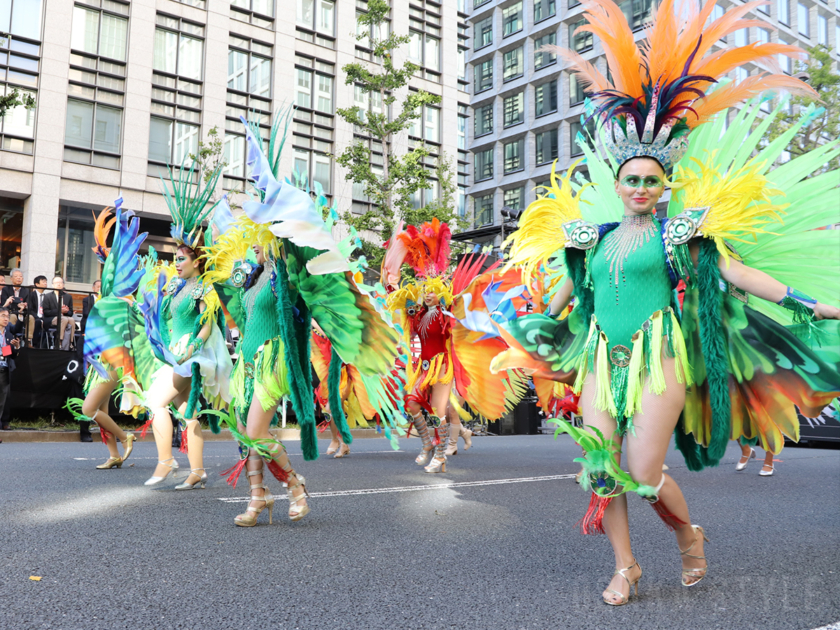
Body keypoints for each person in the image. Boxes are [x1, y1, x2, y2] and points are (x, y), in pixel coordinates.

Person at [495, 0, 840, 606]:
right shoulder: (591, 238)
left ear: (664, 186)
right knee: (602, 472)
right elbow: (560, 301)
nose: (640, 189)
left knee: (645, 474)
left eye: (651, 180)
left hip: (660, 357)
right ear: (617, 182)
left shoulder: (679, 233)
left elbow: (736, 274)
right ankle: (626, 566)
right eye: (631, 179)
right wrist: (526, 329)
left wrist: (813, 304)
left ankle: (687, 535)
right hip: (603, 358)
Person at [204, 115, 401, 526]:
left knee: (256, 430)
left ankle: (294, 484)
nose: (255, 247)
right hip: (248, 361)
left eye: (261, 241)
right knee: (244, 433)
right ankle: (257, 498)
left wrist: (287, 244)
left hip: (276, 361)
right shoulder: (254, 282)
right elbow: (234, 306)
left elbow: (309, 270)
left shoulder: (289, 277)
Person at [382, 219, 530, 473]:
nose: (427, 293)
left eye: (432, 290)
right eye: (425, 290)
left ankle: (441, 457)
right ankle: (428, 445)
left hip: (442, 366)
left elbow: (464, 308)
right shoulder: (416, 314)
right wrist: (392, 272)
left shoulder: (445, 315)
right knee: (412, 404)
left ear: (440, 293)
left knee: (439, 411)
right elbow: (391, 294)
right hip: (422, 367)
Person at [140, 162, 232, 490]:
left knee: (156, 402)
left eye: (182, 259)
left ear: (197, 261)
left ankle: (166, 461)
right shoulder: (177, 288)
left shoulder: (204, 288)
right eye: (175, 258)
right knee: (188, 415)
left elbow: (208, 326)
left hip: (190, 357)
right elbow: (165, 318)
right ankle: (198, 471)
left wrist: (192, 347)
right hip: (176, 355)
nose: (176, 263)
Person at [0, 307, 20, 432]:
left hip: (4, 369)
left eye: (7, 316)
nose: (6, 319)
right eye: (3, 315)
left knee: (2, 401)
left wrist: (16, 348)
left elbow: (10, 354)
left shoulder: (7, 333)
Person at [43, 276, 75, 350]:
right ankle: (59, 341)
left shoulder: (68, 296)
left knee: (71, 320)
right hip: (51, 318)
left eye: (60, 283)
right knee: (64, 319)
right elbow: (46, 312)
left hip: (65, 317)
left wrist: (67, 311)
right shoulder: (48, 296)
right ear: (53, 285)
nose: (59, 284)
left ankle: (71, 342)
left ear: (63, 285)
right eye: (56, 283)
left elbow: (71, 312)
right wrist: (60, 311)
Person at [26, 275, 48, 345]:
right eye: (43, 282)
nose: (45, 283)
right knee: (38, 322)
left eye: (46, 282)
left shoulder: (47, 296)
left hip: (45, 317)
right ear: (37, 284)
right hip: (35, 317)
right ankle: (35, 344)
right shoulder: (31, 295)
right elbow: (30, 309)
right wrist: (38, 317)